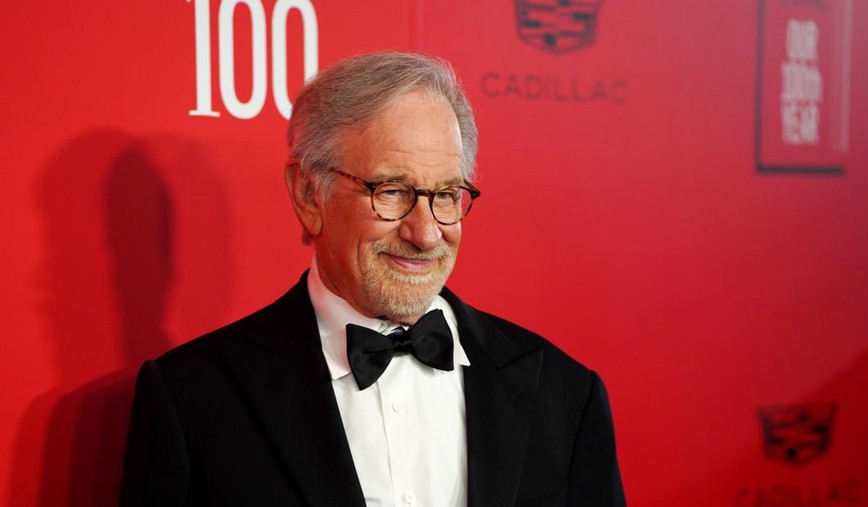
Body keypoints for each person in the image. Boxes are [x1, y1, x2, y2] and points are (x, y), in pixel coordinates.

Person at [120, 51, 626, 506]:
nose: (426, 234)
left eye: (447, 194)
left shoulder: (564, 394)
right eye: (391, 190)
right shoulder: (192, 398)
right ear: (308, 194)